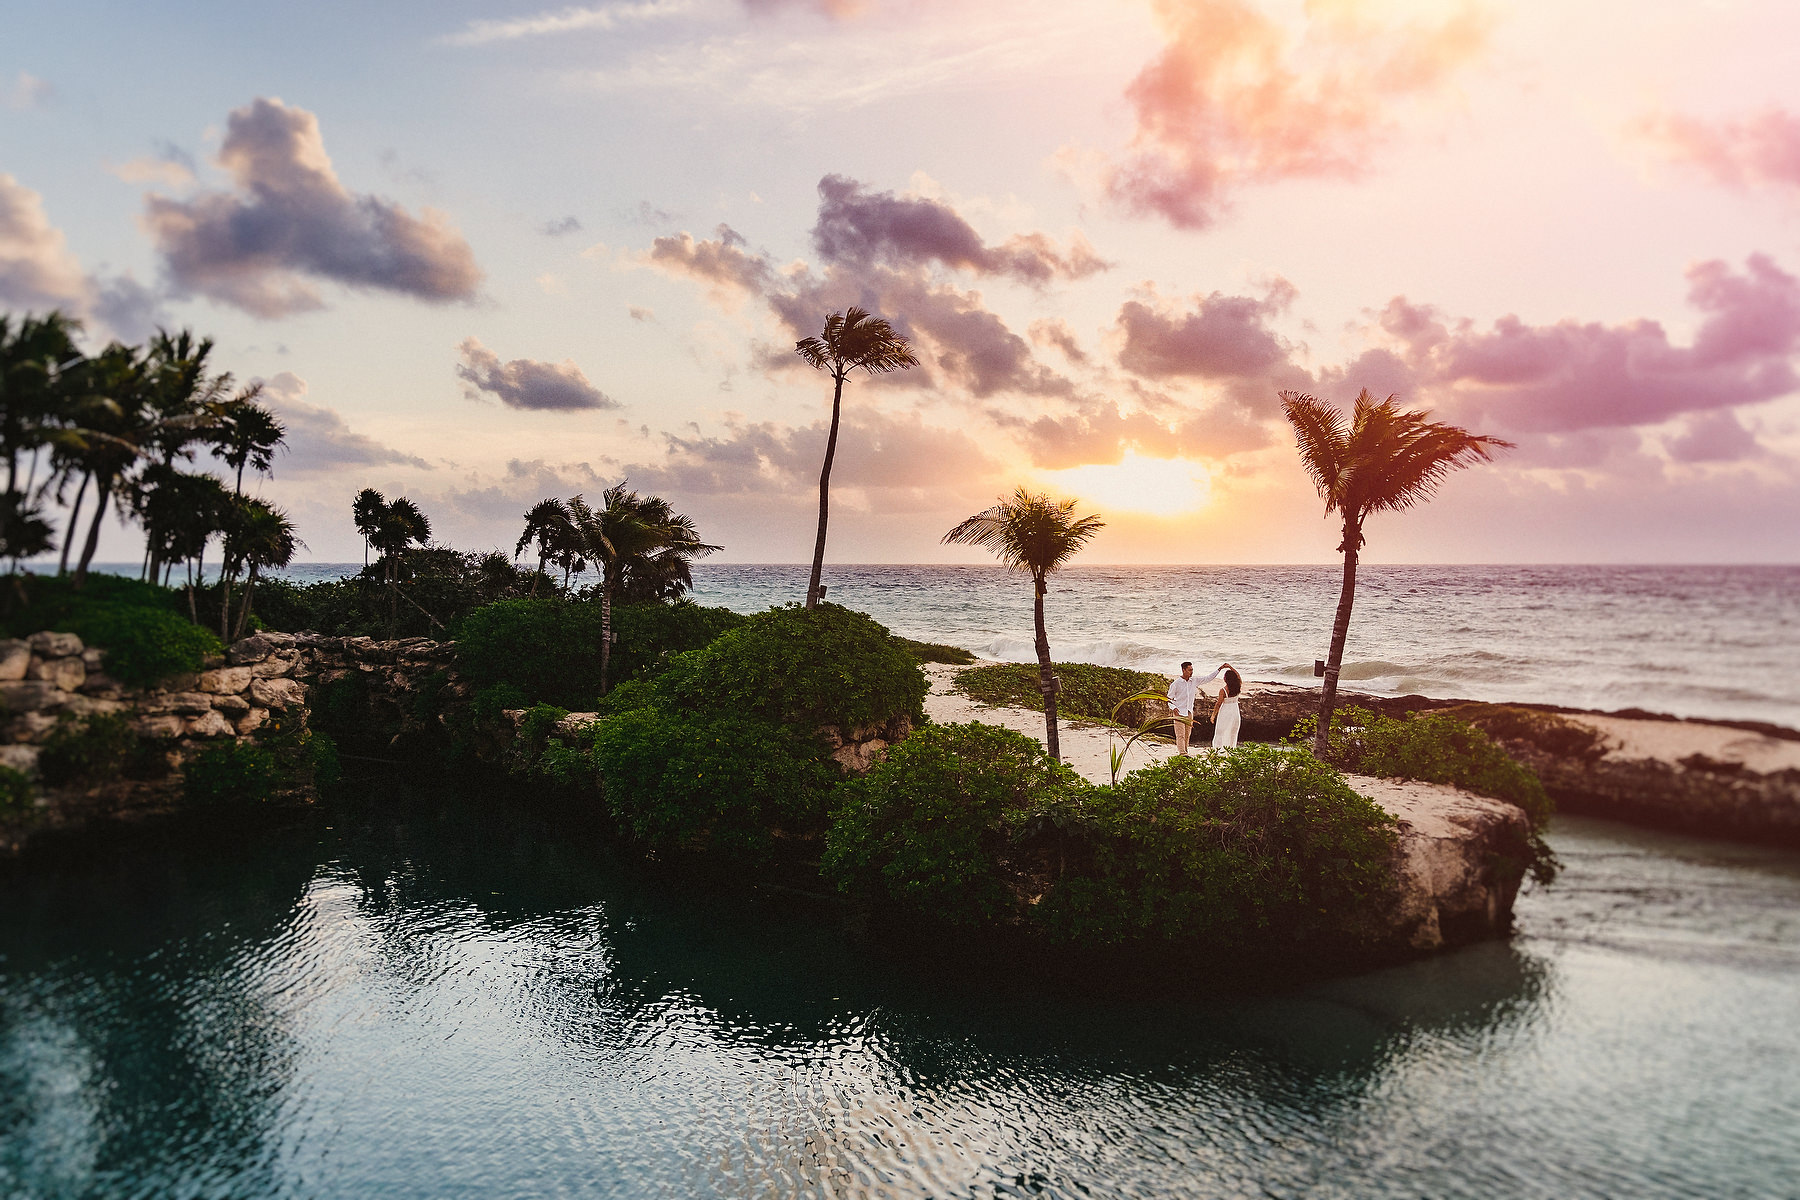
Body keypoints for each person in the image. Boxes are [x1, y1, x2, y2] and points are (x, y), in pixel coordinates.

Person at [1166, 661, 1228, 755]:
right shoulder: (1176, 683)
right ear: (1183, 670)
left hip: (1189, 711)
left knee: (1187, 734)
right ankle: (1182, 753)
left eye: (1192, 670)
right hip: (1178, 712)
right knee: (1180, 735)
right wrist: (1173, 708)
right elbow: (1169, 699)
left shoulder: (1194, 680)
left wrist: (1219, 669)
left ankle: (1185, 752)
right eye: (1189, 670)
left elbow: (1208, 678)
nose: (1191, 672)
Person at [1210, 667, 1243, 750]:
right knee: (1232, 731)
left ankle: (1219, 749)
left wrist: (1213, 715)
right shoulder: (1238, 686)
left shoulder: (1223, 690)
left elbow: (1218, 704)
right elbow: (1238, 675)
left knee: (1221, 730)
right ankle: (1230, 749)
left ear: (1226, 679)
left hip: (1226, 711)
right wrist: (1230, 667)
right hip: (1235, 710)